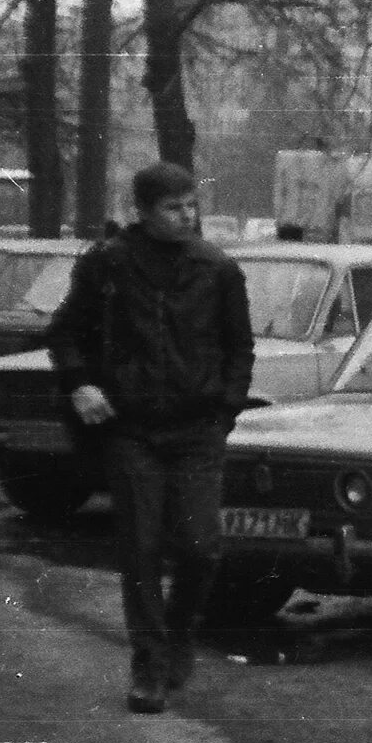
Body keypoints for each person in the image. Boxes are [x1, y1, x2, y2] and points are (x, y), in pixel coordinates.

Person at [46, 162, 255, 713]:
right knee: (139, 547)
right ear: (142, 212)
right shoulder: (107, 265)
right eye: (173, 207)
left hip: (196, 428)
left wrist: (225, 409)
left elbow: (240, 347)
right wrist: (81, 384)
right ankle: (149, 665)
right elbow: (65, 331)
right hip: (131, 428)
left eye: (192, 205)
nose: (187, 215)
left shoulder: (217, 269)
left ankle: (180, 632)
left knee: (199, 547)